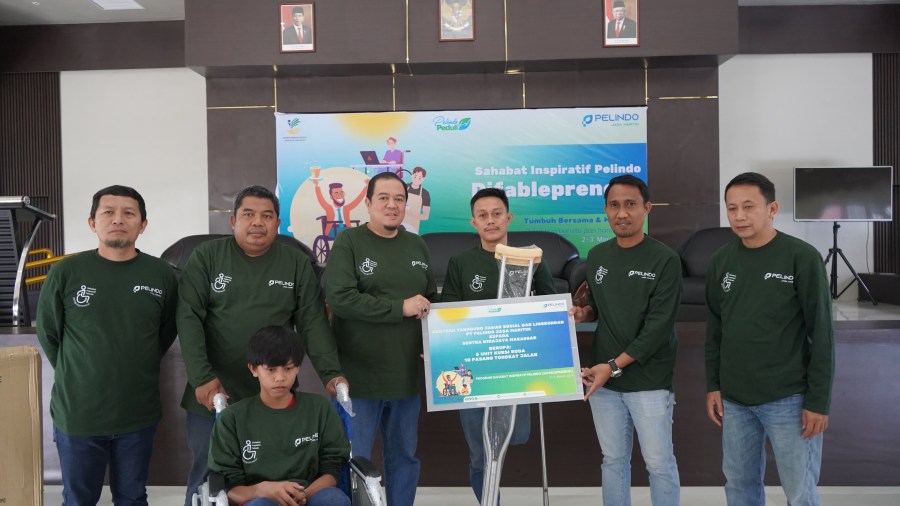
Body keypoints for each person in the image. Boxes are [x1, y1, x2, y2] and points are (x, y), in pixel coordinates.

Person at [178, 185, 346, 506]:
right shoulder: (207, 257)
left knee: (280, 475)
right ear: (233, 220)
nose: (258, 222)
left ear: (277, 223)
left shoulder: (295, 262)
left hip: (275, 391)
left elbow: (313, 323)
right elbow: (188, 317)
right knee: (208, 476)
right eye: (248, 214)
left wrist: (331, 373)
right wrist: (201, 377)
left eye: (267, 216)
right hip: (215, 391)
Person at [37, 185, 177, 505]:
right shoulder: (66, 272)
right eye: (108, 212)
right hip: (79, 414)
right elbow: (49, 334)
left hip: (137, 414)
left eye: (129, 213)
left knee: (132, 498)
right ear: (92, 222)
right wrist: (80, 370)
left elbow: (165, 332)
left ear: (142, 224)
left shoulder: (161, 274)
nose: (118, 219)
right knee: (79, 499)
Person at [705, 172, 834, 506]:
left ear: (772, 208)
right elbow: (716, 329)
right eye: (732, 208)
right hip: (735, 400)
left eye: (749, 206)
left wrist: (818, 402)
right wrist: (713, 384)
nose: (739, 216)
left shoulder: (801, 256)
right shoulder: (721, 261)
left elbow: (822, 333)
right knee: (739, 487)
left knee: (800, 491)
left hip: (788, 398)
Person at [324, 171, 437, 506]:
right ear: (368, 202)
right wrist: (398, 307)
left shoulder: (417, 245)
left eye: (399, 199)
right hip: (358, 380)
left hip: (405, 379)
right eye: (384, 198)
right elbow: (340, 299)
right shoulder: (349, 242)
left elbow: (430, 302)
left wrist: (434, 342)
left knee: (404, 459)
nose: (392, 205)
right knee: (352, 461)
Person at [571, 175, 681, 506]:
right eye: (614, 205)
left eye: (630, 204)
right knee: (613, 461)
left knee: (658, 464)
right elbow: (599, 306)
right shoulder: (597, 255)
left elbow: (657, 329)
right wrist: (584, 313)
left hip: (649, 380)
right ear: (605, 210)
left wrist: (612, 366)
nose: (622, 213)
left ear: (646, 208)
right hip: (605, 381)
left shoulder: (665, 259)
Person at [440, 187, 556, 503]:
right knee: (480, 451)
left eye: (496, 214)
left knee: (516, 435)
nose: (490, 220)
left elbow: (551, 308)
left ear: (508, 217)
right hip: (470, 368)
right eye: (482, 215)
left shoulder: (531, 259)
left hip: (515, 366)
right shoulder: (461, 262)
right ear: (473, 222)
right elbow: (447, 314)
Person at [208, 326, 351, 506]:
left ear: (298, 368)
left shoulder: (320, 409)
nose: (280, 377)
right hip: (258, 498)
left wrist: (303, 494)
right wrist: (262, 490)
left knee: (333, 499)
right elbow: (229, 488)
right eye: (271, 369)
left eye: (288, 368)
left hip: (310, 495)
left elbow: (332, 470)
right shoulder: (232, 419)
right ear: (253, 369)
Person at [402, 166, 431, 234]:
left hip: (413, 226)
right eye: (415, 176)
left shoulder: (425, 194)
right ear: (412, 176)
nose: (417, 179)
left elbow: (425, 216)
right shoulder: (403, 187)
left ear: (423, 179)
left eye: (419, 178)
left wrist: (412, 215)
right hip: (399, 222)